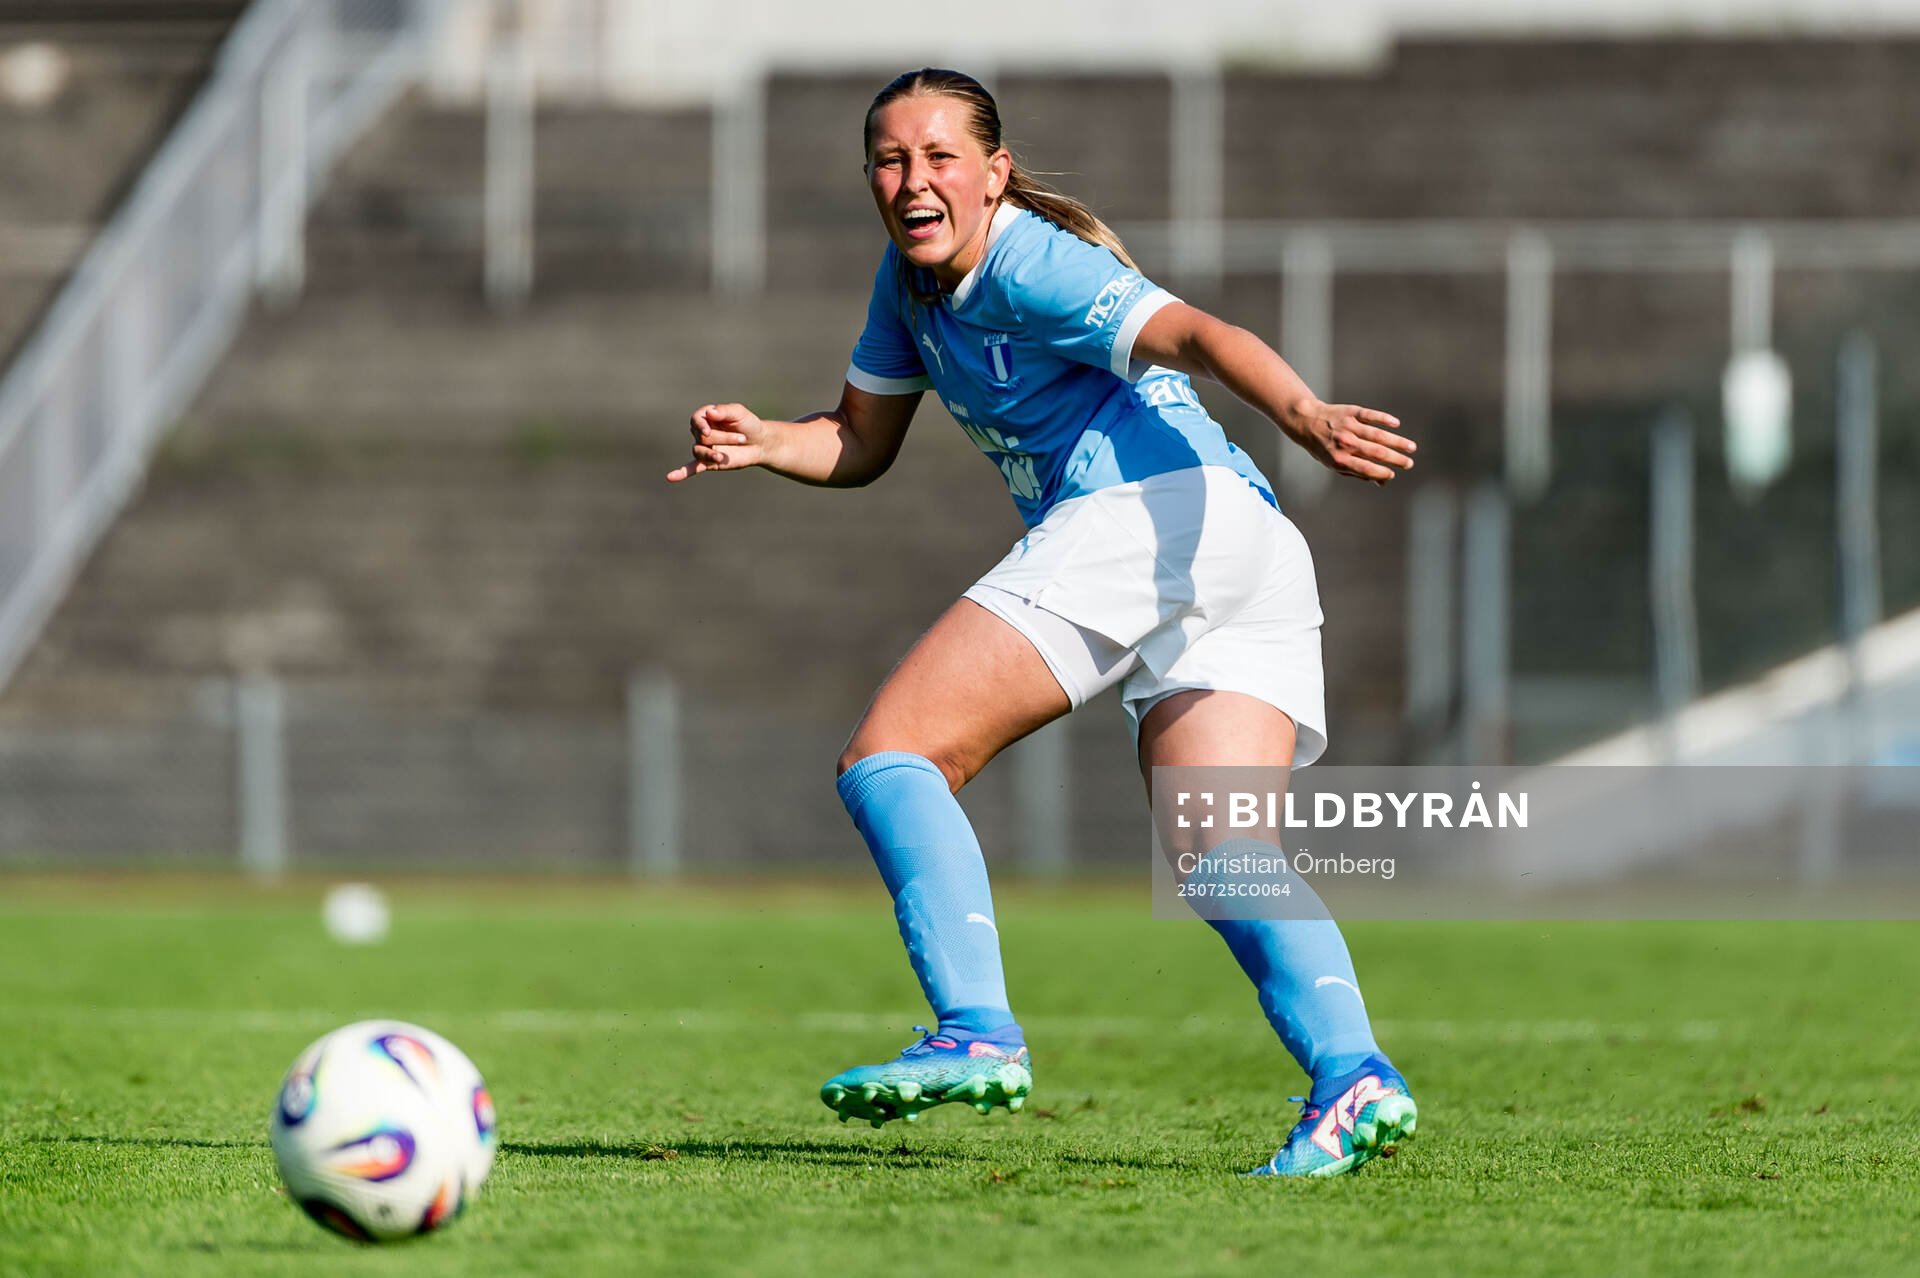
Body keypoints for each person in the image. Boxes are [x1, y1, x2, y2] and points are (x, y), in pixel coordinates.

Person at [668, 68, 1419, 1177]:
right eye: (890, 160)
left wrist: (1302, 410)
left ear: (995, 173)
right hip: (1242, 539)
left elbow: (1196, 333)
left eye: (940, 157)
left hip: (1151, 512)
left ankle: (976, 1029)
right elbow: (862, 442)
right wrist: (771, 439)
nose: (913, 180)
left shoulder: (1030, 262)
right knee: (1221, 852)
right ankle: (1354, 1073)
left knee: (894, 755)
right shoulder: (908, 287)